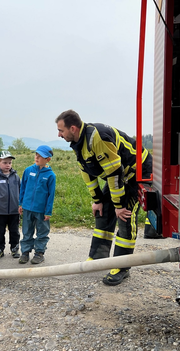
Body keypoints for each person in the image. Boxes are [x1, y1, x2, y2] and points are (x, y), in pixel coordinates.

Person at [56, 109, 152, 286]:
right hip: (118, 175)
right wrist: (97, 200)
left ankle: (122, 267)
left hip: (137, 173)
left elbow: (115, 172)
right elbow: (88, 174)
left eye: (61, 130)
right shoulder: (79, 143)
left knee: (125, 216)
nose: (59, 134)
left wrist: (119, 205)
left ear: (73, 128)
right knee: (103, 213)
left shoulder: (96, 137)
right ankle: (99, 257)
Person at [18, 145, 56, 265]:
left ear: (48, 159)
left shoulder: (51, 175)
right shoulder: (28, 171)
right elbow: (22, 188)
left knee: (42, 232)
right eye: (36, 155)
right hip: (27, 207)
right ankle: (25, 252)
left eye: (41, 156)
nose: (37, 158)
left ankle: (39, 253)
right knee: (27, 231)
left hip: (41, 209)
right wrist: (21, 203)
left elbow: (51, 195)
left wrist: (48, 211)